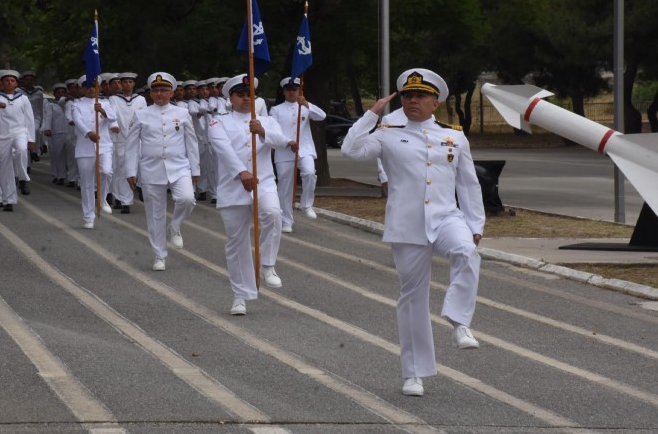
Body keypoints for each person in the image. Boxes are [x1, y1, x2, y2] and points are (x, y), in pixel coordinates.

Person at [341, 68, 485, 397]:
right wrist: (371, 114)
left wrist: (475, 224)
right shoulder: (387, 131)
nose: (413, 100)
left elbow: (468, 183)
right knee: (412, 298)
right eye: (407, 95)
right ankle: (414, 373)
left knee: (466, 252)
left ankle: (458, 320)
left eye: (421, 95)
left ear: (436, 102)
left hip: (446, 216)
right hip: (407, 224)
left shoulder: (454, 135)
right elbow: (351, 150)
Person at [208, 74, 289, 315]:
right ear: (230, 98)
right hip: (233, 186)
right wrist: (241, 172)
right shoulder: (218, 122)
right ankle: (239, 295)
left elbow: (282, 141)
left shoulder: (266, 120)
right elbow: (221, 148)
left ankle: (268, 265)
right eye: (240, 95)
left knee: (273, 213)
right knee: (237, 242)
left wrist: (262, 131)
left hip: (263, 183)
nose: (246, 99)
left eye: (249, 95)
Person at [125, 72, 199, 271]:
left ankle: (175, 226)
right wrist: (130, 171)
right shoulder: (141, 114)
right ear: (150, 93)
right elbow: (132, 145)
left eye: (164, 90)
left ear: (172, 92)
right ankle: (159, 255)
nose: (160, 94)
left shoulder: (182, 113)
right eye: (156, 91)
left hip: (179, 166)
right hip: (151, 168)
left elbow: (191, 143)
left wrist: (195, 168)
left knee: (186, 199)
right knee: (155, 214)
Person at [270, 76, 327, 232]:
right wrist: (287, 142)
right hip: (284, 150)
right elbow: (274, 131)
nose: (291, 92)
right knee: (285, 187)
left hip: (305, 148)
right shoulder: (276, 110)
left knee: (309, 173)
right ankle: (286, 220)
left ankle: (306, 204)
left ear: (299, 91)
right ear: (283, 91)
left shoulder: (305, 107)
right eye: (288, 90)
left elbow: (322, 116)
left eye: (294, 89)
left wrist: (307, 104)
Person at [71, 75, 118, 228]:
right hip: (85, 147)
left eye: (94, 86)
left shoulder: (105, 102)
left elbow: (113, 118)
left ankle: (102, 198)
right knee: (87, 183)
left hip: (103, 145)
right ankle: (88, 216)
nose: (91, 89)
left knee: (106, 171)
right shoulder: (76, 105)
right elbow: (77, 121)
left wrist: (103, 111)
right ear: (82, 88)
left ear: (99, 87)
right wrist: (88, 133)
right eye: (88, 86)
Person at [0, 70, 35, 211]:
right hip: (2, 135)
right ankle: (9, 200)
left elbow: (30, 119)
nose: (9, 83)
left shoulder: (23, 98)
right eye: (6, 80)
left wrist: (31, 139)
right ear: (1, 83)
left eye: (12, 80)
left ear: (16, 83)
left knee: (21, 150)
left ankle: (22, 178)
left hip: (19, 132)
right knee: (5, 168)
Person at [109, 72, 147, 213]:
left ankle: (129, 197)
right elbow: (112, 113)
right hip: (120, 138)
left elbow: (144, 116)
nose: (127, 84)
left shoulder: (141, 99)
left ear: (134, 84)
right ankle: (120, 198)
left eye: (130, 82)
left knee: (134, 168)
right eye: (124, 82)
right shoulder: (114, 99)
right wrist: (113, 124)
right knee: (119, 169)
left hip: (136, 138)